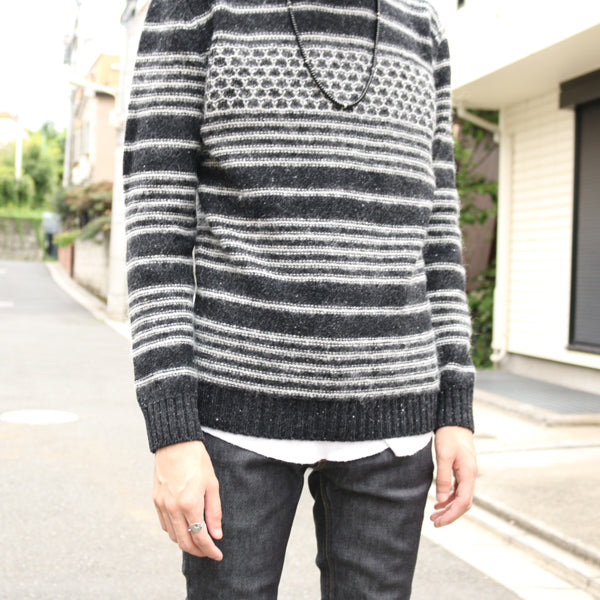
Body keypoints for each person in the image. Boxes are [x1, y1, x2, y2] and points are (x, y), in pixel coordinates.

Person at [123, 0, 478, 597]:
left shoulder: (422, 25)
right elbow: (157, 223)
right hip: (234, 422)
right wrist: (172, 432)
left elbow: (437, 231)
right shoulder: (198, 10)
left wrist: (455, 409)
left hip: (395, 422)